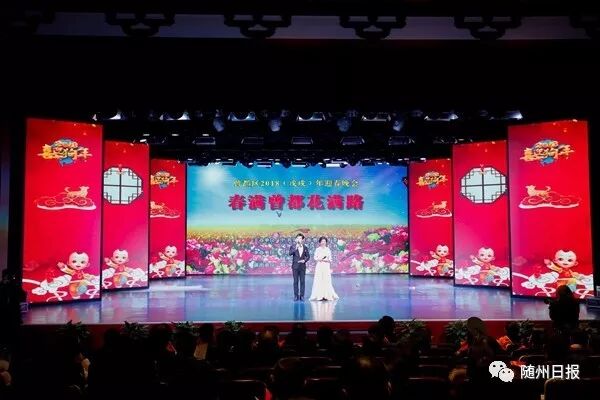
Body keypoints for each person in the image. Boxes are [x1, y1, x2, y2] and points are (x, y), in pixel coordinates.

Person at [309, 236, 339, 301]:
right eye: (322, 241)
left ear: (326, 242)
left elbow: (330, 259)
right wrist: (319, 259)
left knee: (326, 279)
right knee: (319, 279)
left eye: (324, 241)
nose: (323, 242)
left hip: (326, 266)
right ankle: (319, 295)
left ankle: (326, 295)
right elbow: (315, 258)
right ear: (320, 242)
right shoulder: (317, 249)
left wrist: (326, 260)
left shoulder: (328, 249)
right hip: (319, 266)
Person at [289, 233, 310, 301]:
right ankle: (296, 295)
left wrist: (304, 260)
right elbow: (290, 253)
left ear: (303, 240)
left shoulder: (305, 247)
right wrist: (296, 248)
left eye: (300, 238)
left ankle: (302, 296)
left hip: (302, 267)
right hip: (295, 267)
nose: (299, 239)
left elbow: (308, 256)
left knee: (302, 281)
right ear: (296, 239)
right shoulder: (293, 246)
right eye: (297, 238)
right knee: (295, 281)